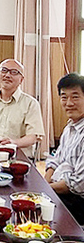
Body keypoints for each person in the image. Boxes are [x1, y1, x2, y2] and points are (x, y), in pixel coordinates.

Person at [45, 73, 84, 223]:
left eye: (75, 97)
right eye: (64, 97)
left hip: (78, 203)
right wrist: (45, 184)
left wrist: (46, 190)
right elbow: (56, 160)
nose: (69, 103)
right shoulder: (70, 127)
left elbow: (78, 184)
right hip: (62, 190)